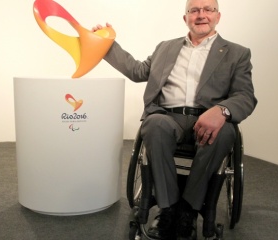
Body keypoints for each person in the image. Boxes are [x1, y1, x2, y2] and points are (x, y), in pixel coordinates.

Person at [94, 0, 257, 239]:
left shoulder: (237, 53)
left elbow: (245, 96)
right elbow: (138, 71)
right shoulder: (165, 47)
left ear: (217, 16)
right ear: (186, 18)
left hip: (209, 119)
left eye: (208, 10)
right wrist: (107, 45)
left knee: (224, 133)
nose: (201, 15)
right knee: (154, 125)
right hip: (167, 117)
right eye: (194, 10)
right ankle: (168, 208)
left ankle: (188, 210)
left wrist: (222, 110)